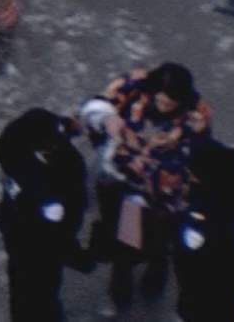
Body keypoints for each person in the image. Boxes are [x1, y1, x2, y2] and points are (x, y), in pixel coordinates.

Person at [78, 62, 213, 316]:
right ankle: (120, 295)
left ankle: (155, 276)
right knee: (124, 246)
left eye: (170, 101)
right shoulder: (134, 86)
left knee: (159, 244)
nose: (163, 104)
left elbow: (201, 157)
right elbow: (95, 106)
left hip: (165, 198)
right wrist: (105, 118)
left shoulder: (197, 116)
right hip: (123, 185)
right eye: (159, 98)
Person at [0, 108, 95, 322]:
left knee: (36, 291)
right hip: (25, 237)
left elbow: (70, 217)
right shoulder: (18, 153)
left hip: (35, 241)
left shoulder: (66, 166)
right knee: (29, 290)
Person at [173, 139, 234, 322]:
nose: (190, 177)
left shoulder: (209, 212)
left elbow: (189, 258)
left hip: (217, 272)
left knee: (212, 309)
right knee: (232, 303)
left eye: (193, 174)